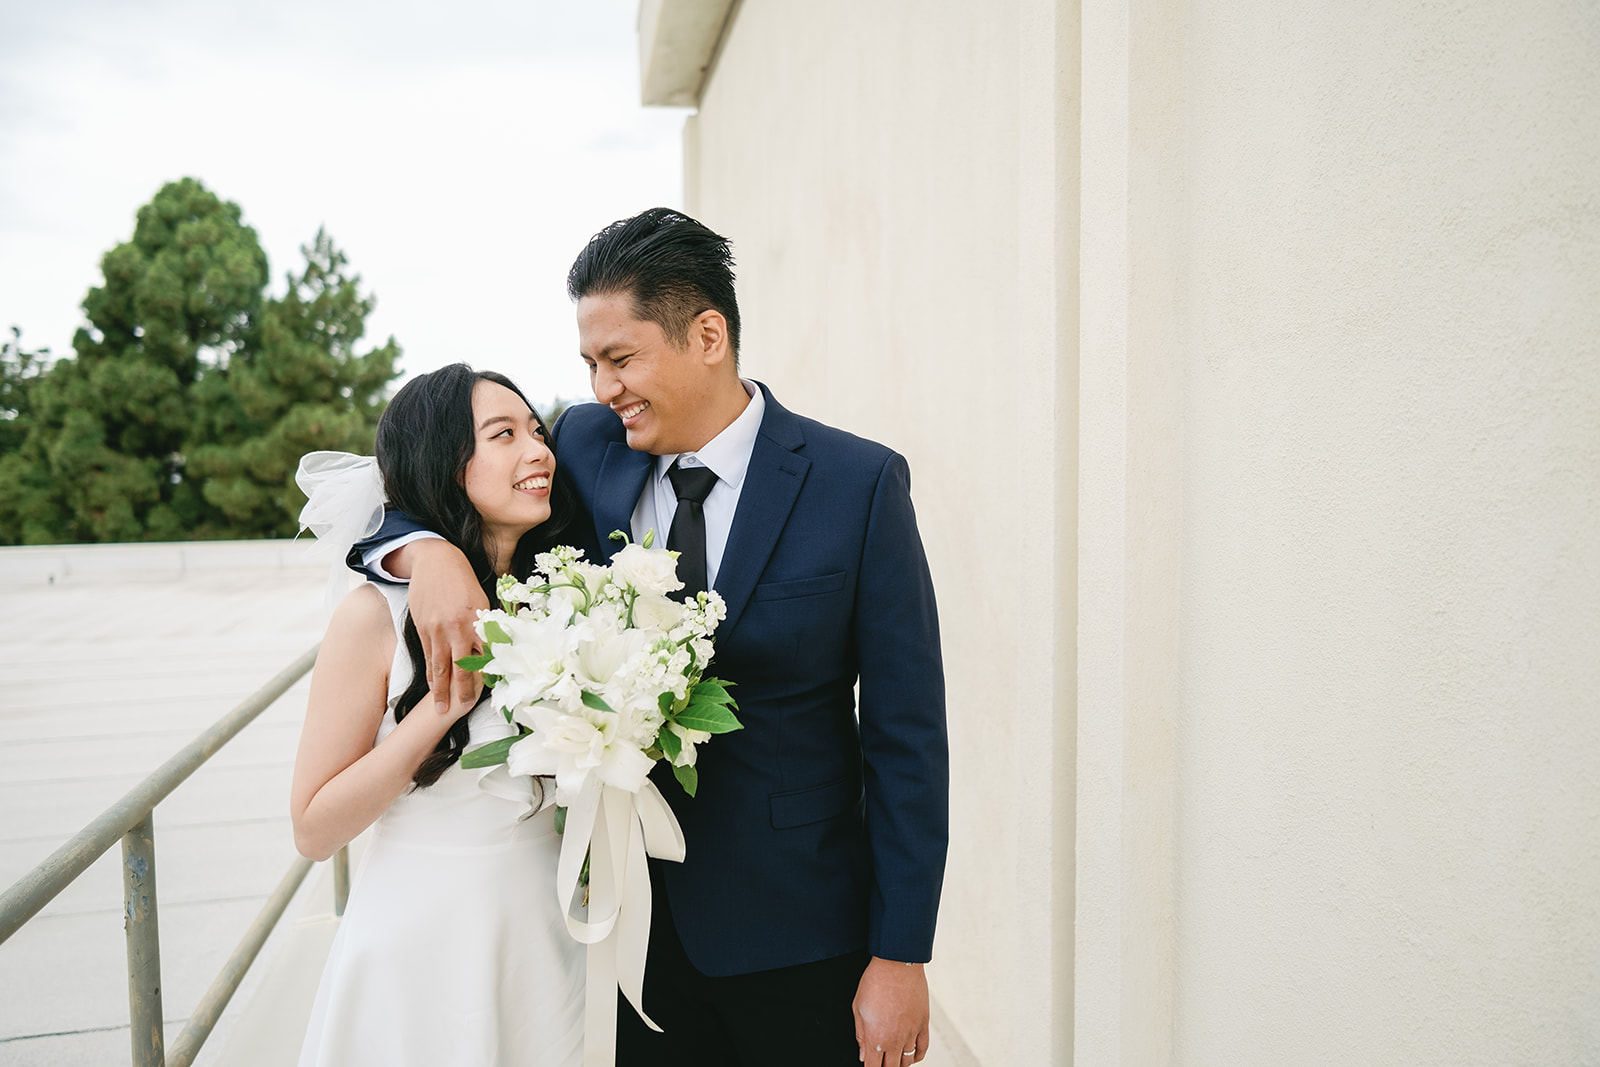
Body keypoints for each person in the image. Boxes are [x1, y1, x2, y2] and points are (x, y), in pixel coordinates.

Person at [354, 209, 948, 1067]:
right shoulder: (591, 451)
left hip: (803, 935)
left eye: (621, 359)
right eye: (590, 364)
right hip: (627, 935)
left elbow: (908, 739)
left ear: (708, 335)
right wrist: (426, 551)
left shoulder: (857, 484)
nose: (601, 389)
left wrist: (901, 953)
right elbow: (426, 477)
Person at [291, 364, 598, 1067]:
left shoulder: (563, 597)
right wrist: (438, 711)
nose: (538, 450)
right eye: (504, 434)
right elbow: (313, 826)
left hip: (545, 937)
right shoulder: (373, 616)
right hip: (421, 944)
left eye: (537, 430)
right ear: (444, 463)